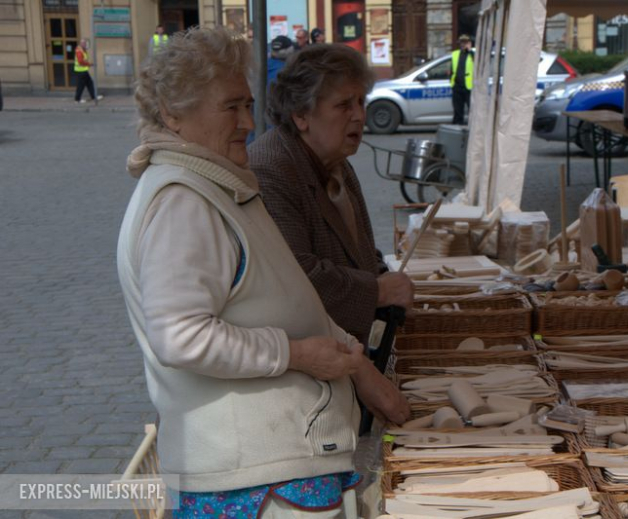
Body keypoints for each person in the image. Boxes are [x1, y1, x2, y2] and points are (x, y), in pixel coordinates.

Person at [118, 27, 410, 518]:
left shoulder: (209, 184)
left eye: (248, 104)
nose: (248, 122)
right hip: (251, 477)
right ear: (173, 112)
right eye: (231, 107)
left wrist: (354, 364)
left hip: (272, 467)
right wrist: (297, 354)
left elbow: (280, 291)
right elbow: (181, 337)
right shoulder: (182, 203)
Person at [248, 44, 414, 345]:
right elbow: (297, 276)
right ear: (301, 115)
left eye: (362, 102)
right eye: (344, 105)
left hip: (344, 350)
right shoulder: (272, 169)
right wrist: (378, 291)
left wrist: (384, 276)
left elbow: (359, 250)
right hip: (306, 362)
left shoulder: (338, 164)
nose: (360, 116)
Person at [451, 34, 475, 125]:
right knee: (457, 111)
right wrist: (452, 83)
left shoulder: (472, 54)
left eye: (465, 42)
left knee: (472, 111)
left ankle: (472, 129)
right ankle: (457, 129)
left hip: (469, 87)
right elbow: (452, 69)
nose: (463, 44)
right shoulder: (455, 54)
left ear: (469, 43)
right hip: (457, 87)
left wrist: (470, 51)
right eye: (462, 42)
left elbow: (479, 65)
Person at [73, 39, 102, 104]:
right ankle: (77, 100)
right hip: (80, 71)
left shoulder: (82, 50)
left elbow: (83, 59)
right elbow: (80, 61)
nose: (85, 45)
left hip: (83, 71)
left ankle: (93, 96)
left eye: (86, 43)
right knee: (81, 86)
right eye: (84, 44)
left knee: (90, 83)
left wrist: (88, 64)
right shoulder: (79, 51)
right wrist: (89, 64)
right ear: (81, 44)